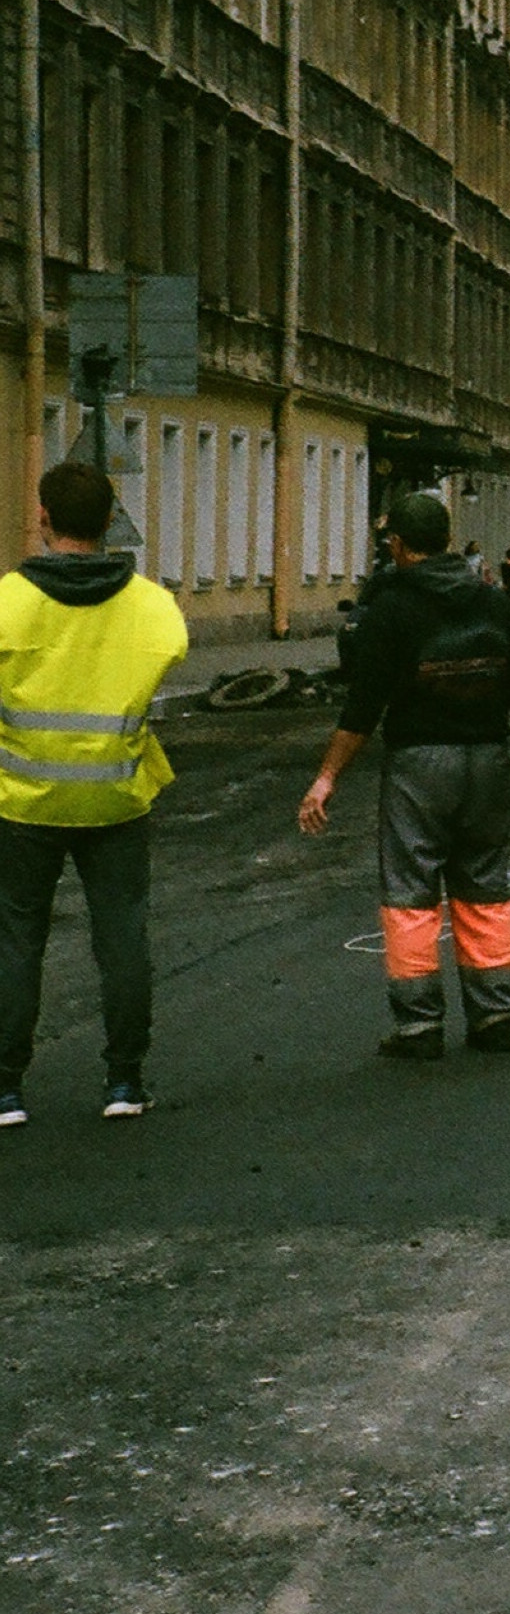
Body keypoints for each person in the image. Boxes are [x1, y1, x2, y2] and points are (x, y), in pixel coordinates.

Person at [299, 491, 510, 1059]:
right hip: (488, 761)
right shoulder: (493, 603)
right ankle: (495, 1016)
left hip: (420, 764)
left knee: (412, 892)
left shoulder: (391, 608)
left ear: (398, 546)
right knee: (485, 887)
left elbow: (364, 706)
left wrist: (327, 777)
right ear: (446, 541)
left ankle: (419, 1025)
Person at [0, 462, 187, 1125]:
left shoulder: (6, 602)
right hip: (117, 798)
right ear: (111, 523)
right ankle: (124, 1082)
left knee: (18, 940)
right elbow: (168, 655)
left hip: (22, 801)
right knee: (123, 937)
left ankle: (5, 1090)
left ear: (42, 518)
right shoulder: (153, 608)